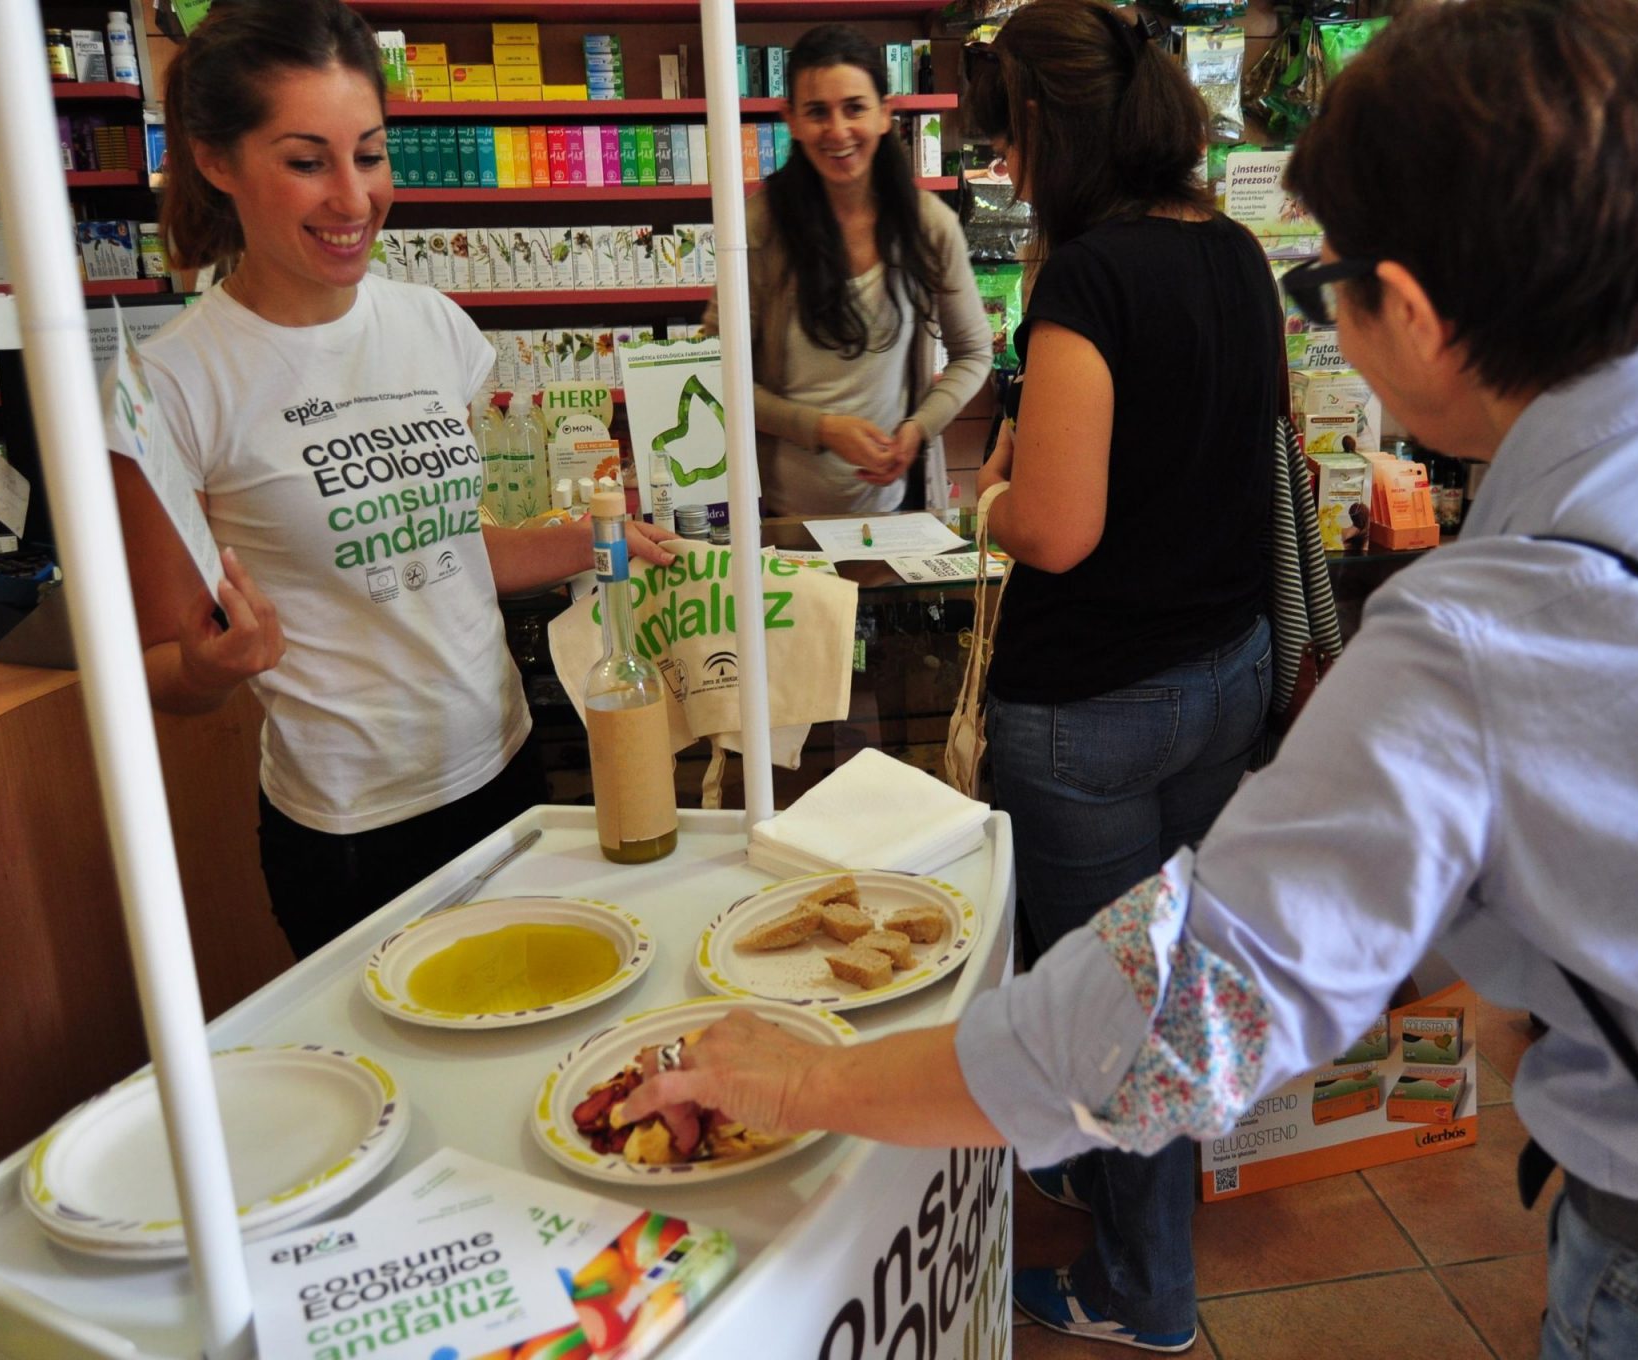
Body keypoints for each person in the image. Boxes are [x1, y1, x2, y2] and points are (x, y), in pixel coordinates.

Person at [621, 2, 1638, 1356]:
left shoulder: (1478, 635)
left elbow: (1173, 1011)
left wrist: (812, 1074)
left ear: (1404, 311)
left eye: (1331, 288)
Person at [109, 0, 675, 958]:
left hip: (503, 773)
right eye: (305, 161)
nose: (353, 196)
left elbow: (448, 548)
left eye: (368, 154)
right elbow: (166, 668)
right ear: (215, 160)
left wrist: (592, 540)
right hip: (347, 831)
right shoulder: (169, 385)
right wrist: (210, 665)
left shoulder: (431, 326)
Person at [958, 0, 1281, 1347]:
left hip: (1092, 708)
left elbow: (1059, 526)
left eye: (1006, 126)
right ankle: (1135, 1217)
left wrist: (987, 500)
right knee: (1183, 977)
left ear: (1047, 124)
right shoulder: (1238, 252)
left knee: (1118, 1007)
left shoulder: (1084, 279)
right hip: (1227, 669)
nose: (999, 156)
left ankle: (1143, 1292)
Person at [704, 23, 990, 517]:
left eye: (855, 108)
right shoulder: (759, 225)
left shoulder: (929, 226)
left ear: (885, 114)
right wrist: (820, 428)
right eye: (817, 112)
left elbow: (973, 353)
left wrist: (918, 428)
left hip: (897, 520)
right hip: (778, 526)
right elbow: (714, 374)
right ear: (790, 120)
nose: (837, 131)